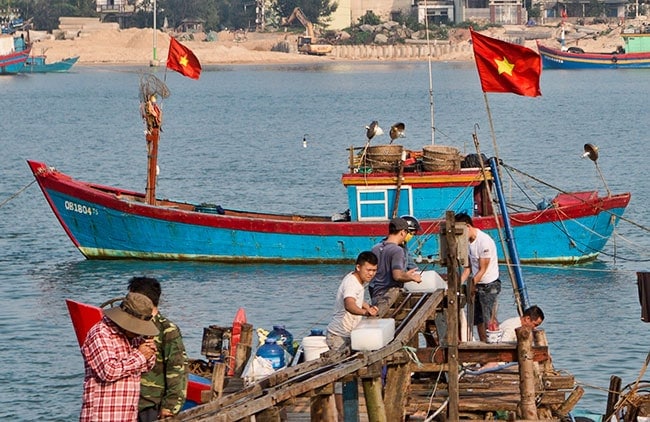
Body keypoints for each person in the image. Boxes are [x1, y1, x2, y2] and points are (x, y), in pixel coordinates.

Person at [80, 292, 158, 422]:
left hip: (127, 415)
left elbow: (145, 367)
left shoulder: (133, 337)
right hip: (103, 416)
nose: (139, 332)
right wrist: (140, 355)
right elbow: (108, 371)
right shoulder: (101, 333)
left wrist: (149, 353)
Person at [128, 276, 188, 421]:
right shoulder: (128, 326)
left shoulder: (167, 329)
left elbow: (177, 369)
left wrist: (171, 405)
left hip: (152, 404)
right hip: (128, 403)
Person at [455, 212, 501, 343]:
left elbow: (482, 270)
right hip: (477, 284)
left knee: (488, 319)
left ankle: (492, 345)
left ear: (468, 226)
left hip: (489, 284)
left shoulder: (484, 242)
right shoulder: (468, 243)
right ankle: (482, 345)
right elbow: (468, 268)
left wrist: (471, 285)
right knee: (478, 320)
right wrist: (457, 284)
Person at [326, 251, 379, 353]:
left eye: (374, 270)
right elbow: (349, 305)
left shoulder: (358, 280)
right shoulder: (352, 283)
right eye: (368, 270)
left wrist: (368, 307)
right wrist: (365, 312)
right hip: (338, 336)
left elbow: (357, 299)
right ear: (358, 267)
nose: (371, 274)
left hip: (349, 333)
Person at [369, 217, 422, 317]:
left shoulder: (375, 248)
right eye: (408, 233)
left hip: (376, 293)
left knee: (377, 323)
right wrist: (411, 277)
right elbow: (397, 276)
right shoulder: (397, 250)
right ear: (402, 232)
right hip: (388, 295)